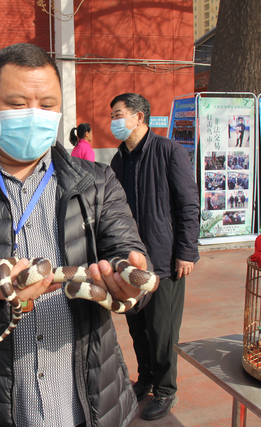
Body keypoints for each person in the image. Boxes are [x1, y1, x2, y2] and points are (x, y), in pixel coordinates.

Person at [0, 43, 153, 427]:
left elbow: (127, 252)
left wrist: (133, 280)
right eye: (18, 104)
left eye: (47, 104)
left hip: (91, 403)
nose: (35, 115)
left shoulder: (97, 182)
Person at [109, 93, 200, 421]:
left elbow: (189, 204)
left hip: (163, 261)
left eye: (119, 114)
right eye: (113, 115)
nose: (114, 122)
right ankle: (145, 378)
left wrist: (186, 252)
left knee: (162, 331)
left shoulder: (168, 151)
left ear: (139, 117)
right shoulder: (119, 160)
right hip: (131, 263)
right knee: (137, 328)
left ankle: (165, 389)